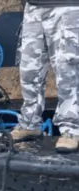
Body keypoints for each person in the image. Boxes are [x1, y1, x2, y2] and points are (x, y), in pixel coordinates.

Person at [11, 1, 79, 153]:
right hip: (34, 7)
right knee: (29, 70)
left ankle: (72, 129)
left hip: (67, 6)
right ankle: (29, 124)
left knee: (68, 71)